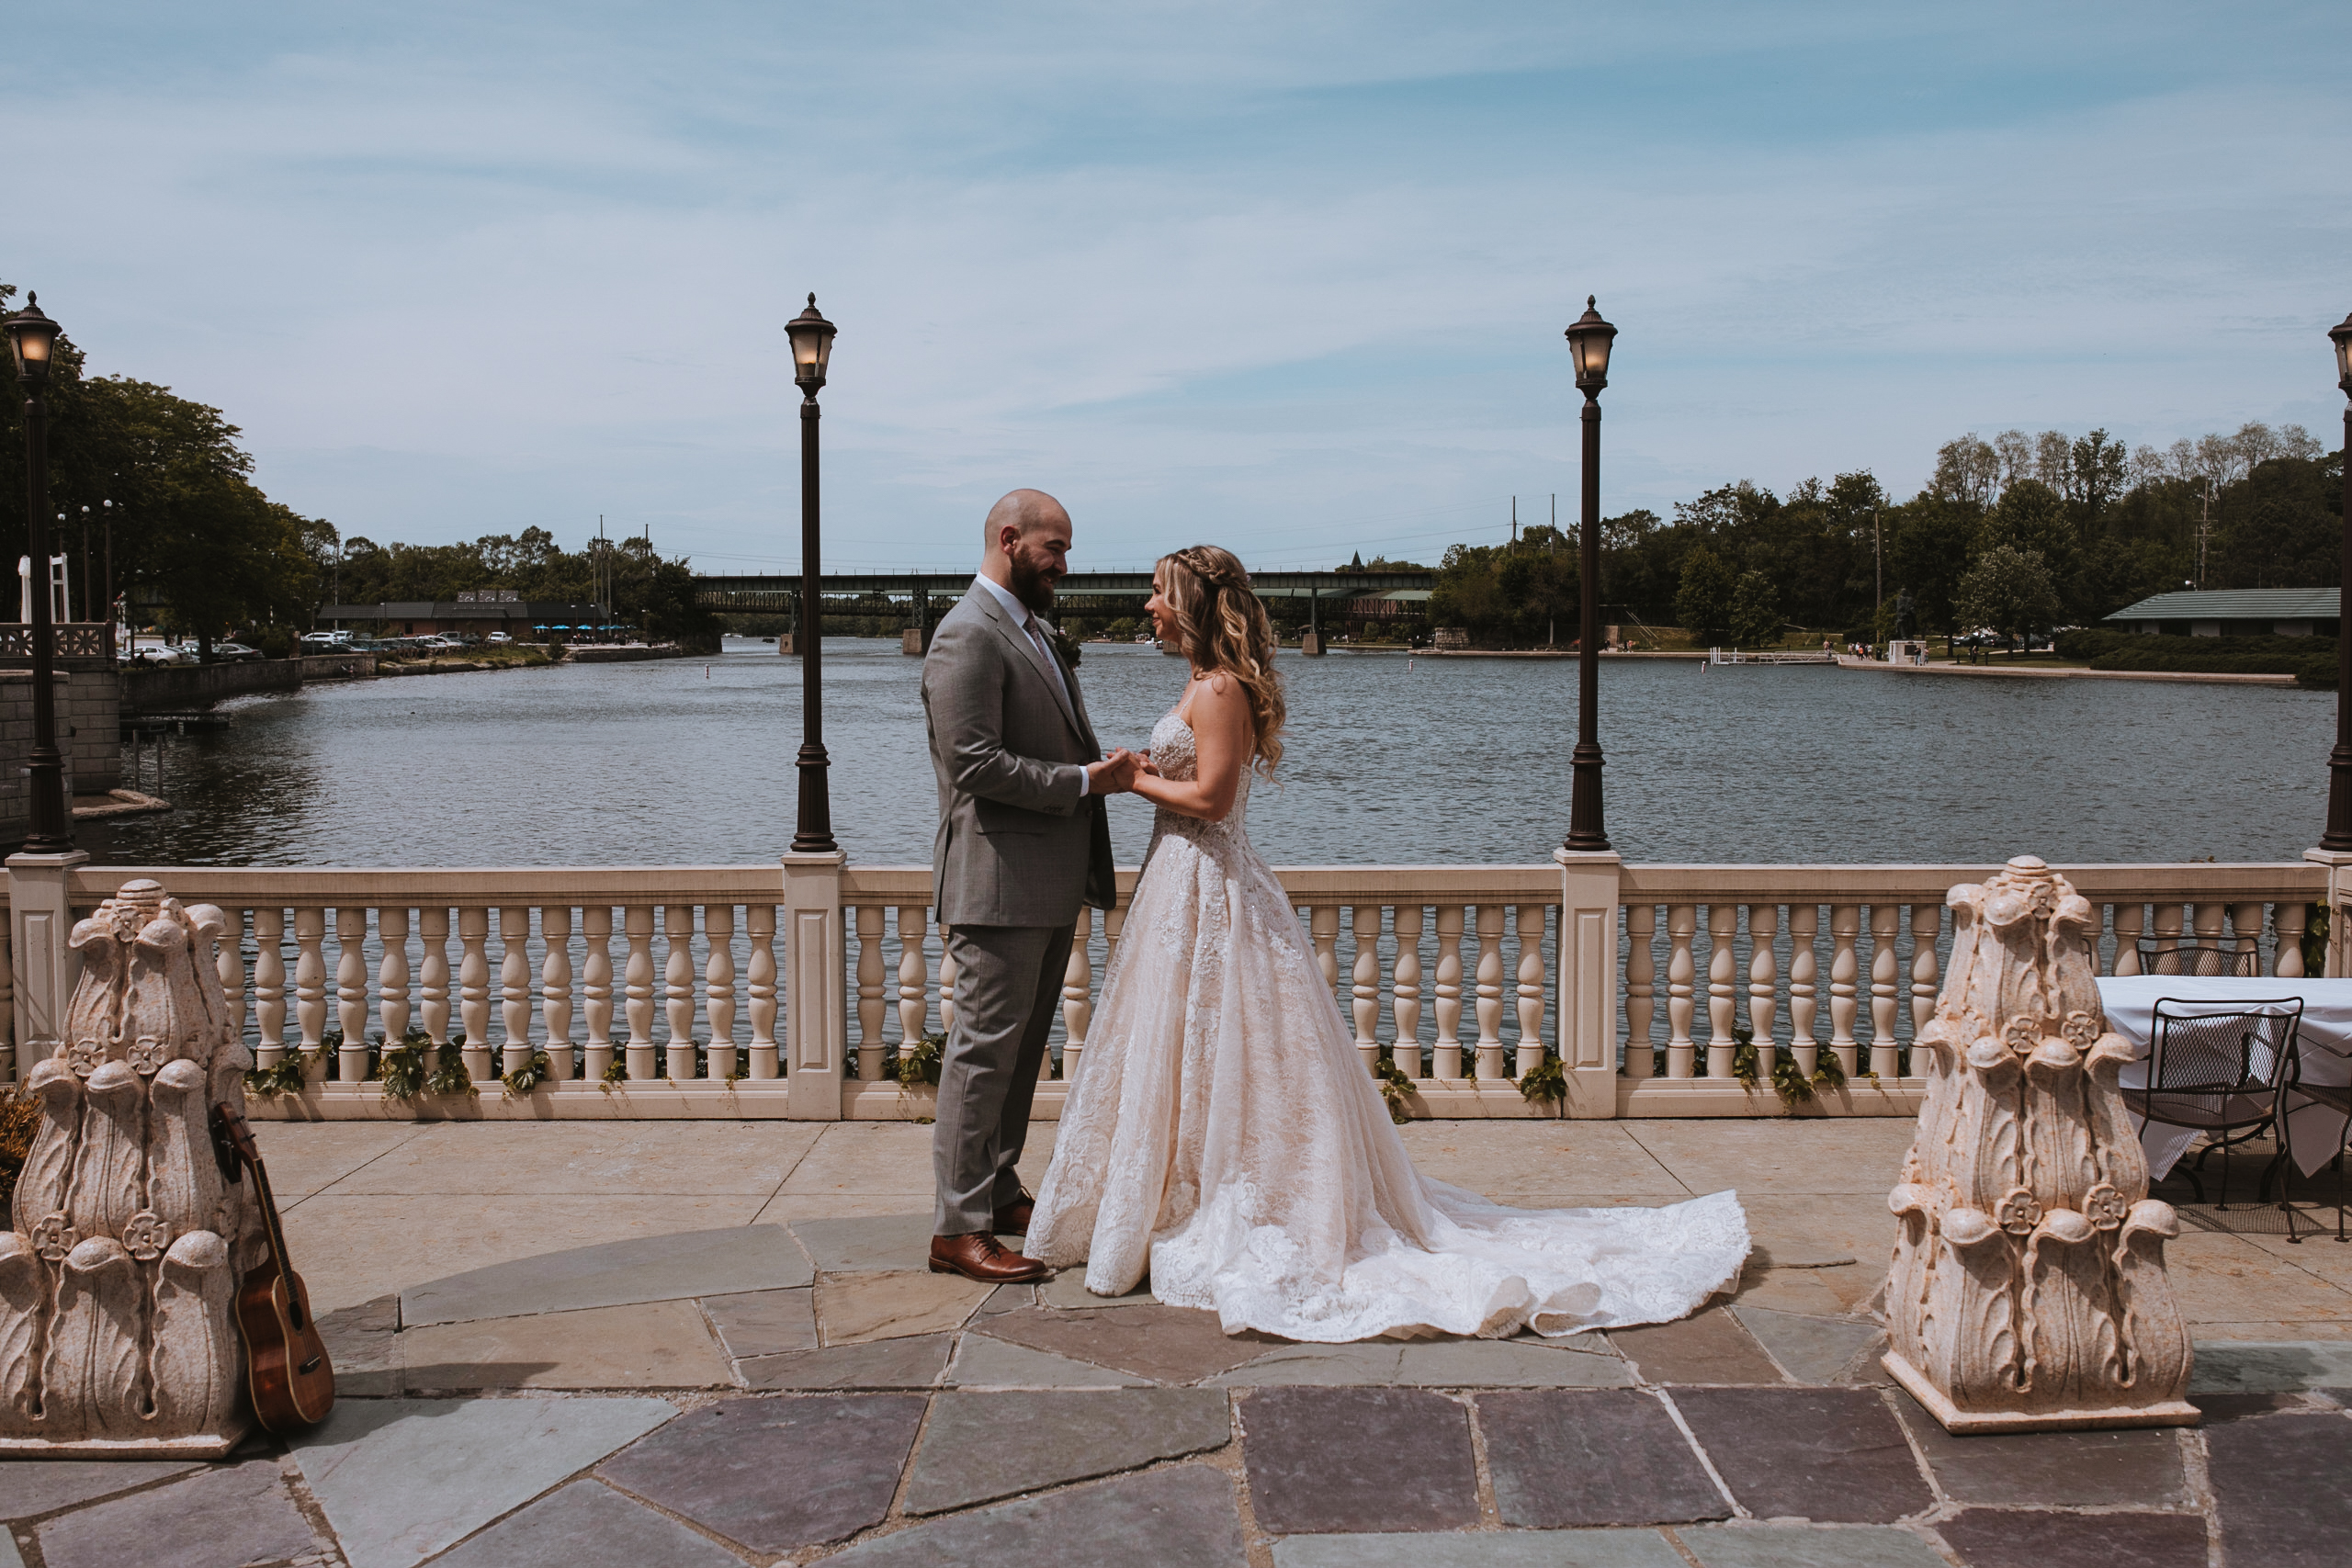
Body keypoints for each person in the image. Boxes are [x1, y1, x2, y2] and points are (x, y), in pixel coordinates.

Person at [1027, 545, 1749, 1341]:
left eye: (1159, 594)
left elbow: (1215, 797)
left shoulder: (1222, 687)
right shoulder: (1200, 681)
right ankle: (1169, 1190)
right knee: (1181, 1044)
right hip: (1179, 884)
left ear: (1194, 601)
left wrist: (1130, 779)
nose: (1148, 607)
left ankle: (1227, 1198)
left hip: (1212, 881)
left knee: (1228, 1043)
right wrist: (1143, 774)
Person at [921, 489, 1141, 1284]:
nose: (1065, 564)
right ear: (1010, 538)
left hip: (1041, 884)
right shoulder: (967, 635)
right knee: (981, 1057)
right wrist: (1086, 781)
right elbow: (973, 764)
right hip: (995, 885)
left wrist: (1096, 771)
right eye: (1056, 548)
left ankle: (998, 1185)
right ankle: (957, 1226)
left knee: (1018, 1055)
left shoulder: (1031, 631)